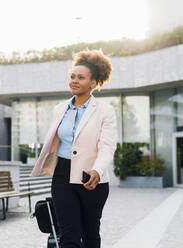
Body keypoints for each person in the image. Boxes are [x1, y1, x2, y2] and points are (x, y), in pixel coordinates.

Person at [31, 50, 117, 248]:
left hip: (91, 177)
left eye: (81, 77)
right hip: (62, 175)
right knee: (68, 233)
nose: (74, 81)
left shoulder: (105, 111)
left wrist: (97, 169)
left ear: (93, 83)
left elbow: (107, 146)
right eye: (72, 77)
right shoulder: (60, 109)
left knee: (90, 233)